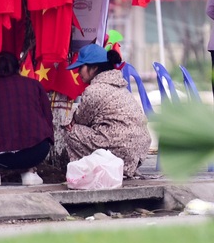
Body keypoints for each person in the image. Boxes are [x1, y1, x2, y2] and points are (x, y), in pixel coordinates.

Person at [0, 52, 54, 186]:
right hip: (37, 152)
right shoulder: (35, 85)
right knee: (33, 124)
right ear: (18, 68)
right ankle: (30, 172)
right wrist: (48, 140)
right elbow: (48, 118)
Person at [65, 43, 152, 178]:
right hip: (138, 152)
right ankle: (124, 168)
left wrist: (70, 119)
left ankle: (90, 173)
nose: (77, 72)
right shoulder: (119, 86)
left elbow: (81, 119)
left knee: (72, 131)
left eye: (81, 67)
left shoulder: (94, 90)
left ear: (93, 68)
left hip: (120, 149)